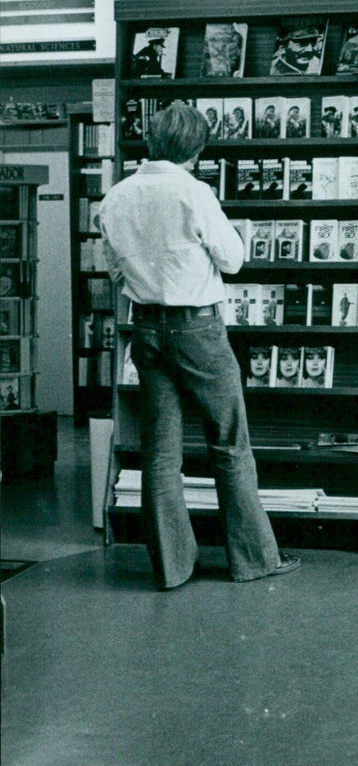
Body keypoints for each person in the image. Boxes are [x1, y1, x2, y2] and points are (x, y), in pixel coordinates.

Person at [97, 102, 299, 589]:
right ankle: (253, 560)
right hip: (197, 327)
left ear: (152, 141)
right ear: (196, 147)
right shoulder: (195, 192)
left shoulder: (116, 196)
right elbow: (233, 261)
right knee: (230, 442)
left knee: (160, 452)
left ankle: (171, 567)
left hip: (144, 327)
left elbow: (115, 267)